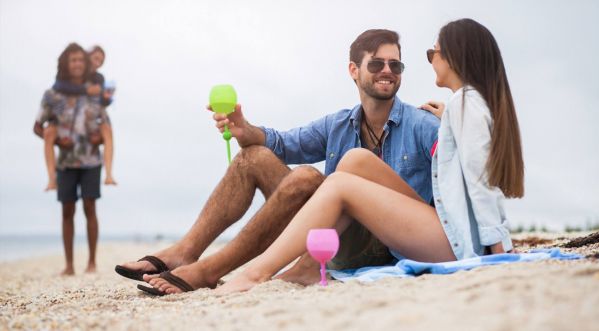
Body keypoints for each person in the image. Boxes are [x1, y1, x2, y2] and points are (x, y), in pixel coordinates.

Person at [209, 18, 525, 295]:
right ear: (354, 70)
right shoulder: (460, 107)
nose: (429, 61)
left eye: (433, 53)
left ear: (457, 56)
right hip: (447, 232)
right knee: (354, 160)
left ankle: (255, 272)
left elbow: (482, 182)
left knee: (338, 185)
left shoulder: (459, 107)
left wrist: (497, 251)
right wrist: (448, 126)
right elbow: (289, 142)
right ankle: (305, 266)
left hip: (457, 243)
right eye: (377, 64)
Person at [117, 29, 440, 295]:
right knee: (252, 156)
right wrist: (246, 130)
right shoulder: (338, 124)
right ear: (353, 70)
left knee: (307, 178)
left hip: (389, 241)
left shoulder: (423, 124)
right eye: (377, 64)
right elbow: (282, 143)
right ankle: (185, 251)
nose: (387, 71)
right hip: (330, 234)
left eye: (395, 66)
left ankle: (210, 270)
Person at [33, 43, 111, 275]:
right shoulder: (52, 94)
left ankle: (92, 263)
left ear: (85, 63)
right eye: (72, 60)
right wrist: (56, 142)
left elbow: (106, 125)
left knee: (90, 206)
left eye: (80, 60)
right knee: (67, 210)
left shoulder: (95, 92)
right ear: (65, 64)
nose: (77, 64)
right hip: (65, 162)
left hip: (91, 160)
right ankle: (68, 265)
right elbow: (38, 127)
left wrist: (99, 138)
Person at [37, 45, 116, 191]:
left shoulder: (98, 79)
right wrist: (59, 142)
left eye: (100, 61)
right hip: (65, 156)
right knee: (49, 131)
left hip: (89, 154)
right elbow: (60, 86)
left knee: (107, 128)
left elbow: (103, 103)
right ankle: (51, 179)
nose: (96, 63)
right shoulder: (61, 84)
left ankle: (109, 174)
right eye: (94, 58)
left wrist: (106, 98)